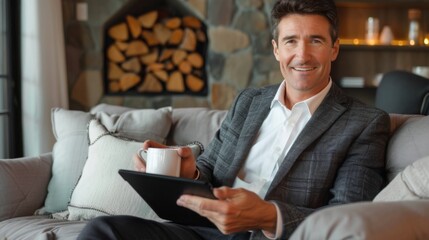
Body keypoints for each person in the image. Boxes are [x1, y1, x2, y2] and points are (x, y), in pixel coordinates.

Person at [78, 0, 390, 239]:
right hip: (205, 230)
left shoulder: (364, 122)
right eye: (291, 41)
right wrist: (190, 173)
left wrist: (268, 216)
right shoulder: (249, 102)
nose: (303, 55)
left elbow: (348, 217)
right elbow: (210, 170)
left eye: (316, 41)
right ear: (276, 50)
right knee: (102, 231)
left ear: (334, 49)